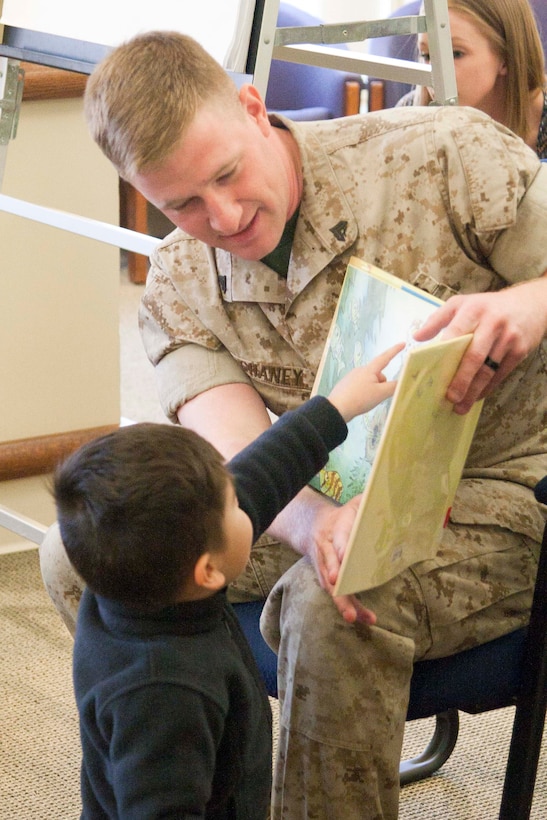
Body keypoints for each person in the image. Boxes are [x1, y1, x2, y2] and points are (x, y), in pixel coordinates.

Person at [38, 31, 547, 819]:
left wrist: (527, 303)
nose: (225, 215)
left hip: (506, 490)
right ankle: (189, 765)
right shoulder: (179, 281)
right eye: (182, 204)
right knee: (81, 553)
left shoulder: (444, 154)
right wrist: (313, 524)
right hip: (319, 489)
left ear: (252, 107)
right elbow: (235, 458)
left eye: (228, 174)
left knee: (328, 602)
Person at [53, 349, 401, 819]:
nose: (247, 501)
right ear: (208, 572)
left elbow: (260, 474)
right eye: (235, 505)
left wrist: (335, 408)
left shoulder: (133, 586)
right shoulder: (162, 695)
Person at [397, 0, 547, 158]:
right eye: (427, 55)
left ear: (506, 57)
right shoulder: (408, 115)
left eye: (456, 54)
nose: (436, 74)